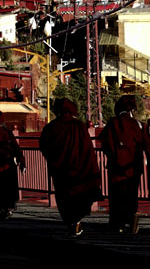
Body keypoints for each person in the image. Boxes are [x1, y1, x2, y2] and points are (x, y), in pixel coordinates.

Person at [40, 98, 102, 236]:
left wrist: (53, 159)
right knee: (79, 195)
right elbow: (87, 148)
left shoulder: (51, 127)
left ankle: (70, 221)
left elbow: (43, 146)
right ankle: (77, 220)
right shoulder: (78, 126)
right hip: (79, 168)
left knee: (63, 195)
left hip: (59, 169)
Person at [99, 95, 150, 234]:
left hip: (116, 166)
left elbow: (103, 141)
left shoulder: (112, 123)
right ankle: (131, 221)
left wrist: (111, 155)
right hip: (133, 166)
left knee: (116, 195)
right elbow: (147, 146)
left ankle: (117, 223)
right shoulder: (139, 125)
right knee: (131, 194)